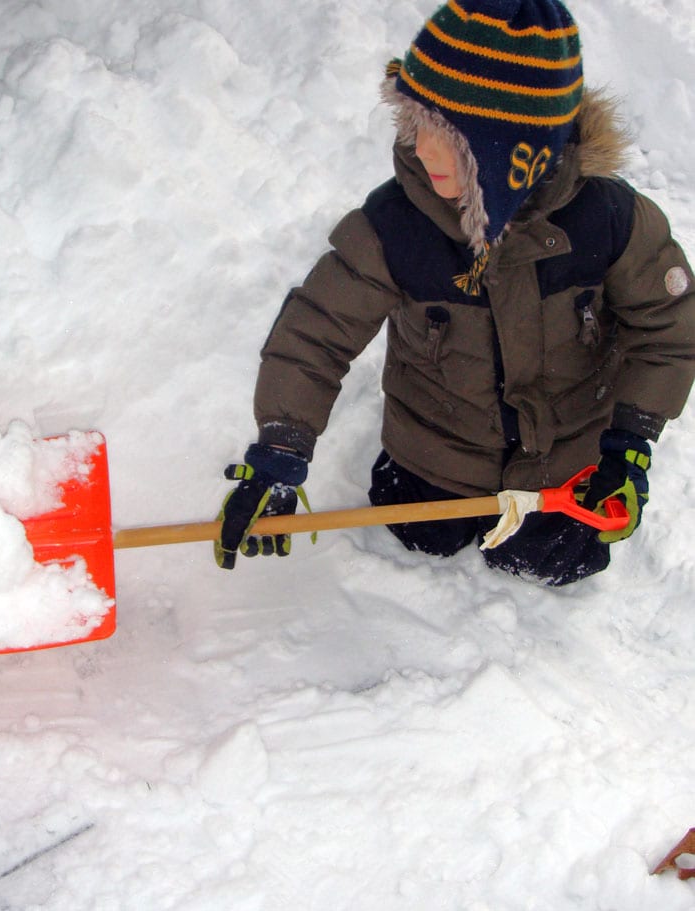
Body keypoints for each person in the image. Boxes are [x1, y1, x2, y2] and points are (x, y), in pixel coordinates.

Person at [214, 0, 695, 585]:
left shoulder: (611, 220)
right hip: (433, 450)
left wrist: (628, 445)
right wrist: (280, 450)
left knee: (556, 562)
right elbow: (316, 331)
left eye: (451, 139)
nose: (422, 152)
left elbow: (670, 328)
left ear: (518, 146)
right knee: (419, 536)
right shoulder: (396, 225)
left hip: (565, 470)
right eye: (416, 127)